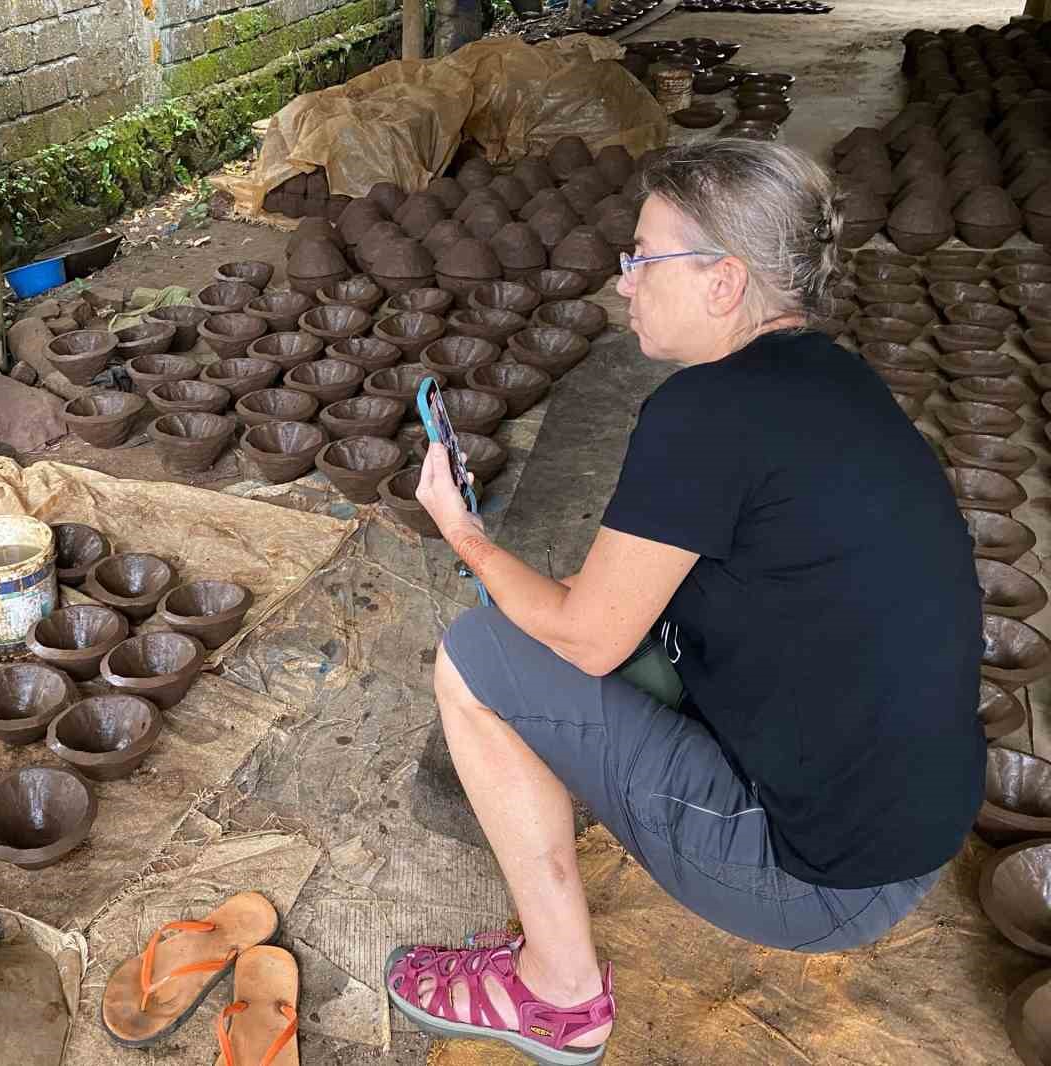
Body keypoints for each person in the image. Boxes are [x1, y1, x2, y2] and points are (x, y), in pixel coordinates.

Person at [384, 140, 985, 1065]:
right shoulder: (836, 379)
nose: (624, 283)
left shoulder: (704, 415)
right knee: (614, 635)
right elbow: (612, 609)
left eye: (643, 259)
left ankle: (559, 995)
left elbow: (584, 637)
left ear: (723, 282)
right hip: (906, 832)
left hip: (815, 879)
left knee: (477, 656)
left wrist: (461, 529)